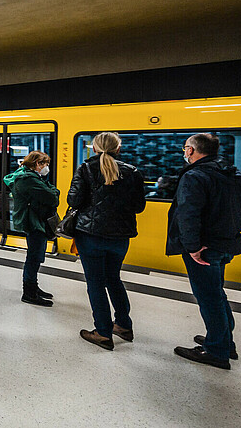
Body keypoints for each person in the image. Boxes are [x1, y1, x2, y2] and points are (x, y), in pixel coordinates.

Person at [168, 133, 241, 370]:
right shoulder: (236, 174)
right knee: (217, 293)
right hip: (227, 243)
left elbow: (187, 215)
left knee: (209, 298)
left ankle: (216, 351)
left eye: (186, 148)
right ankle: (225, 341)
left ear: (192, 150)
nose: (185, 152)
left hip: (204, 248)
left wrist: (193, 247)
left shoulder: (195, 176)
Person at [67, 132, 146, 350]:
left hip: (90, 236)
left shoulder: (85, 169)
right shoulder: (133, 172)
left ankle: (102, 332)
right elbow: (139, 206)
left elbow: (73, 200)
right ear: (118, 149)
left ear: (93, 149)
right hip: (120, 237)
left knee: (95, 283)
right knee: (113, 279)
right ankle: (123, 325)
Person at [3, 151, 60, 307]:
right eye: (45, 164)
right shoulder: (28, 180)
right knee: (34, 257)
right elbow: (53, 197)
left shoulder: (31, 177)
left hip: (35, 220)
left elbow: (49, 192)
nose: (46, 167)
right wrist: (53, 191)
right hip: (34, 222)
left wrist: (49, 189)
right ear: (37, 164)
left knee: (34, 256)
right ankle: (29, 293)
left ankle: (33, 287)